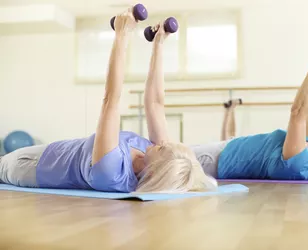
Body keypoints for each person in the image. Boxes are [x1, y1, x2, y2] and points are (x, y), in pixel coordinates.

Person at [0, 8, 217, 193]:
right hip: (49, 151)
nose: (164, 143)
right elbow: (155, 104)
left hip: (30, 166)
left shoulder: (112, 171)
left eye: (163, 148)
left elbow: (110, 100)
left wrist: (122, 34)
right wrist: (158, 43)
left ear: (152, 171)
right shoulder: (154, 154)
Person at [191, 49, 308, 181]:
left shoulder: (300, 166)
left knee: (165, 157)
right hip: (225, 150)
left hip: (214, 160)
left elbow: (298, 113)